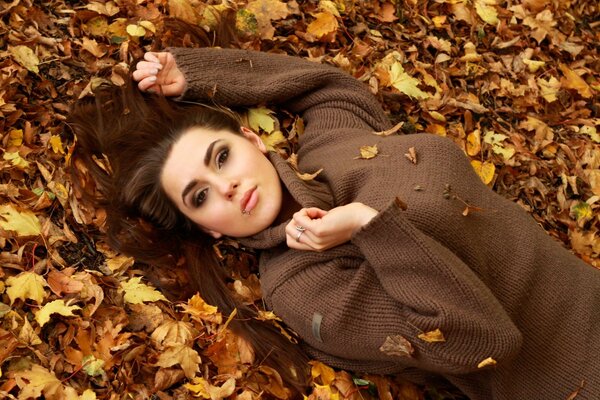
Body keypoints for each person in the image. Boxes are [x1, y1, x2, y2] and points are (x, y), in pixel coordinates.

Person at [69, 44, 600, 399]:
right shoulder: (301, 286)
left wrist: (199, 75)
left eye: (222, 157)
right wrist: (369, 227)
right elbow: (475, 341)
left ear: (253, 140)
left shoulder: (331, 144)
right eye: (201, 195)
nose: (226, 185)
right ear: (207, 227)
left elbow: (323, 83)